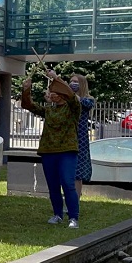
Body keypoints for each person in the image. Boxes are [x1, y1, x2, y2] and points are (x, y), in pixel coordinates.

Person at [22, 71, 82, 229]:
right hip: (49, 151)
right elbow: (27, 105)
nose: (51, 94)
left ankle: (73, 217)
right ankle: (57, 214)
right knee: (53, 185)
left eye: (54, 91)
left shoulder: (73, 107)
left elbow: (70, 94)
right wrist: (26, 90)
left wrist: (56, 78)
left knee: (68, 183)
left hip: (67, 151)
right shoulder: (48, 110)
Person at [70, 73, 95, 197]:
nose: (72, 84)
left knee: (77, 173)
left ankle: (76, 199)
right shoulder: (68, 99)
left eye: (75, 82)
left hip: (80, 139)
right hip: (67, 137)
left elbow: (86, 103)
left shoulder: (88, 99)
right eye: (71, 81)